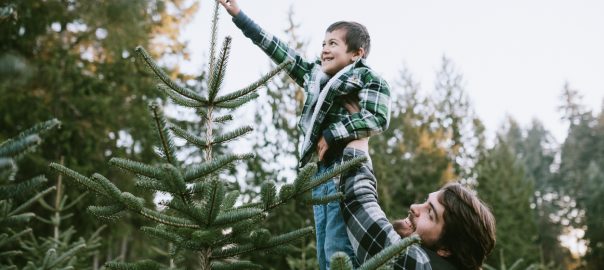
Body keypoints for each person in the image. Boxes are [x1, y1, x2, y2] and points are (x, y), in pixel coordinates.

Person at [218, 1, 391, 269]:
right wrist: (240, 17)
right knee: (325, 251)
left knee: (338, 249)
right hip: (321, 174)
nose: (324, 49)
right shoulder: (316, 77)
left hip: (346, 169)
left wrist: (331, 134)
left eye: (333, 43)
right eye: (323, 43)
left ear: (357, 53)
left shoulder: (368, 79)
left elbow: (377, 117)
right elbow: (279, 51)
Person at [338, 130, 496, 269]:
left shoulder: (421, 266)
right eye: (426, 202)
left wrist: (361, 133)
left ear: (446, 249)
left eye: (430, 213)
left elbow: (358, 201)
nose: (414, 207)